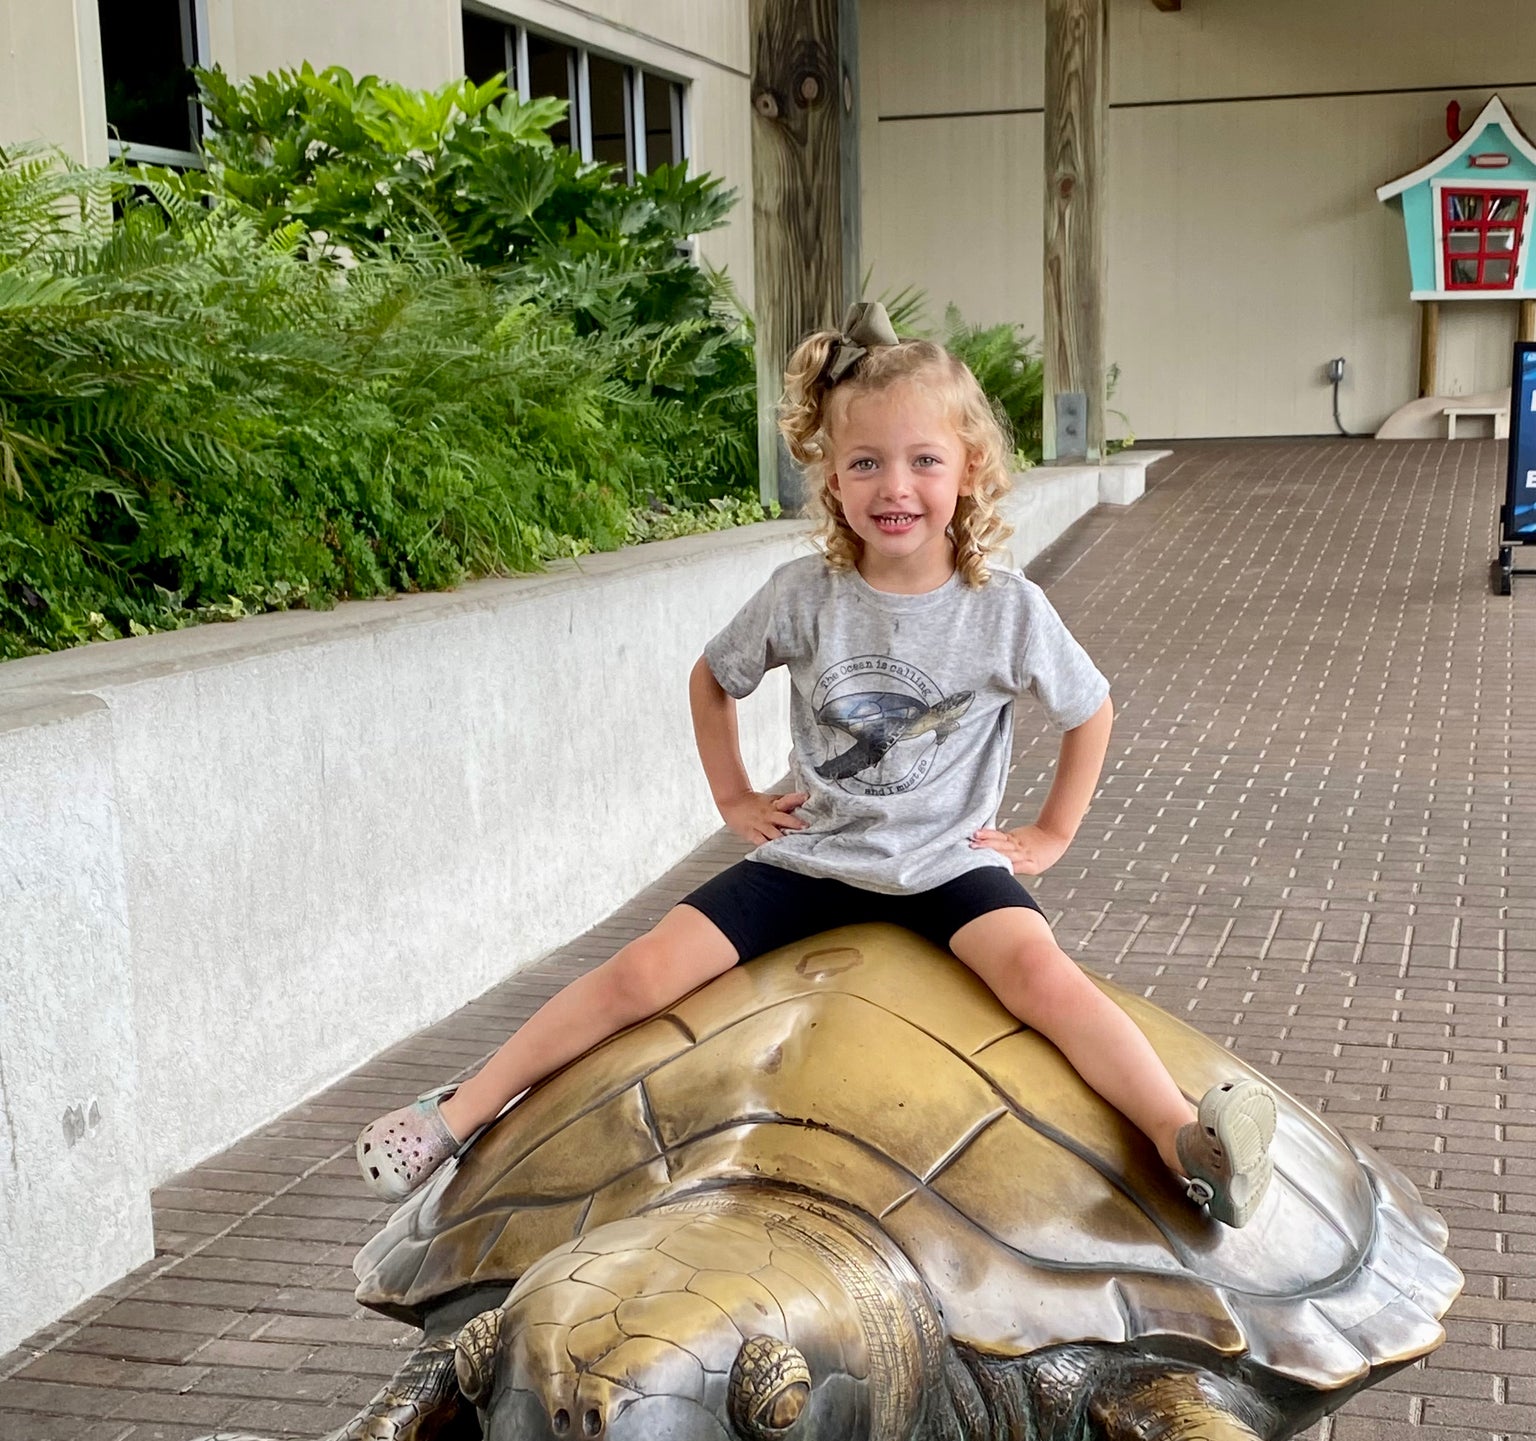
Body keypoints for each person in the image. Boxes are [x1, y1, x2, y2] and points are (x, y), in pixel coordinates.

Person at [357, 304, 1275, 1226]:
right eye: (866, 462)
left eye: (924, 459)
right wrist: (735, 796)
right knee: (639, 976)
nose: (896, 485)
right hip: (811, 861)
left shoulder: (1007, 608)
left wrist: (1052, 831)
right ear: (833, 479)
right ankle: (462, 1113)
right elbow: (714, 679)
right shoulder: (805, 596)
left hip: (946, 866)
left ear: (970, 471)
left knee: (1046, 982)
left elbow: (1092, 709)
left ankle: (1181, 1140)